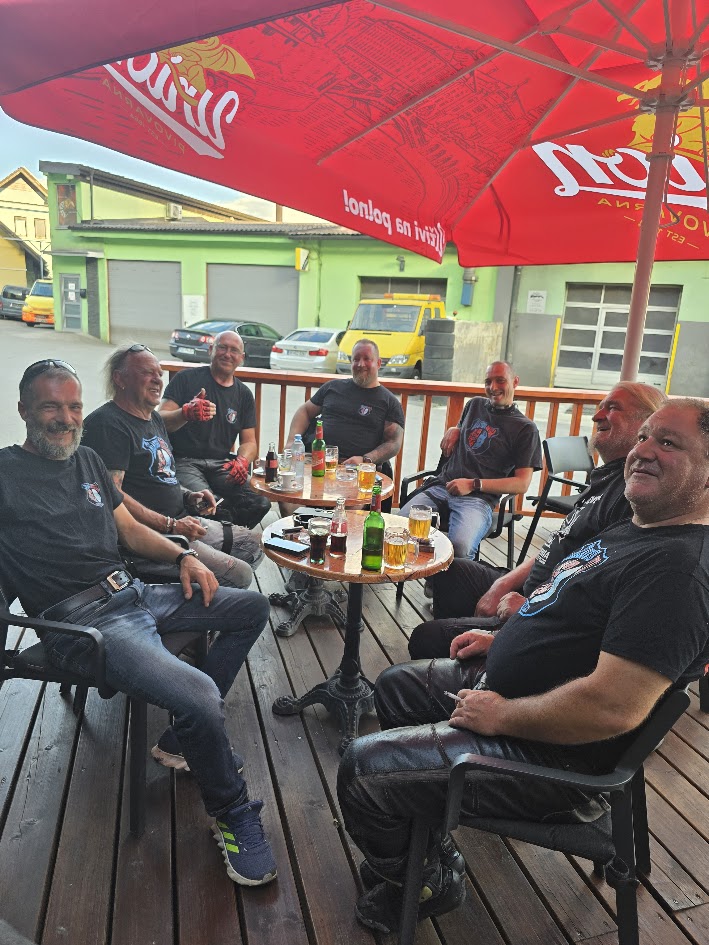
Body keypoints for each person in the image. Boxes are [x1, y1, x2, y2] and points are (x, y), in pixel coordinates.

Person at [337, 398, 709, 934]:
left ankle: (427, 879)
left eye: (668, 443)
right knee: (396, 687)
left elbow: (612, 708)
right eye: (646, 435)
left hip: (553, 759)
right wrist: (503, 639)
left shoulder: (678, 573)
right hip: (516, 696)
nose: (643, 450)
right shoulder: (644, 527)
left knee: (363, 772)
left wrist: (501, 717)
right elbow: (568, 612)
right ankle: (424, 837)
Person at [0, 359, 277, 887]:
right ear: (23, 411)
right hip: (84, 625)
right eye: (51, 407)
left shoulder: (86, 459)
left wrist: (182, 556)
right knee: (199, 694)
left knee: (251, 607)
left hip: (133, 592)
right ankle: (234, 812)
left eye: (74, 406)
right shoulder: (5, 474)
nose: (65, 418)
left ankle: (185, 736)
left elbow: (127, 529)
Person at [411, 383, 668, 658]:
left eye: (613, 408)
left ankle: (477, 663)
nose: (597, 416)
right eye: (600, 407)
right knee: (451, 569)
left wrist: (531, 609)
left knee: (426, 637)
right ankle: (464, 653)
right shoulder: (606, 479)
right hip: (531, 588)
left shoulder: (633, 497)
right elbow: (560, 542)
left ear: (648, 423)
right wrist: (503, 584)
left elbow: (596, 593)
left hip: (546, 613)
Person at [83, 345, 263, 590]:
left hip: (180, 520)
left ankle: (208, 595)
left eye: (159, 373)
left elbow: (160, 477)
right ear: (120, 378)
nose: (157, 380)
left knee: (255, 545)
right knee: (240, 575)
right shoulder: (108, 424)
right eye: (147, 373)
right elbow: (112, 495)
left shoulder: (153, 419)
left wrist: (189, 496)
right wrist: (170, 525)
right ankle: (184, 602)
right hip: (151, 538)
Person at [399, 361, 542, 559]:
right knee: (399, 529)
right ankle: (414, 572)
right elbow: (463, 428)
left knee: (460, 547)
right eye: (488, 382)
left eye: (500, 380)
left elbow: (522, 483)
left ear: (515, 381)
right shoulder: (474, 405)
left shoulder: (525, 429)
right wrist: (455, 429)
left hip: (478, 500)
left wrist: (473, 484)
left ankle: (451, 579)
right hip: (441, 486)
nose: (493, 387)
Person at [158, 331, 271, 528]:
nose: (227, 354)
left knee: (260, 502)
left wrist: (243, 461)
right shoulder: (186, 378)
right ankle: (226, 533)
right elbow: (160, 419)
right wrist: (186, 412)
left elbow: (250, 442)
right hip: (184, 461)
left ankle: (231, 535)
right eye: (222, 347)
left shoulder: (244, 394)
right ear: (211, 350)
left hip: (221, 464)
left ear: (241, 358)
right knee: (207, 503)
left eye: (234, 350)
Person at [284, 338, 405, 470]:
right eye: (356, 359)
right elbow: (305, 411)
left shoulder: (389, 402)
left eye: (367, 359)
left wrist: (365, 459)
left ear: (379, 363)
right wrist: (291, 442)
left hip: (355, 469)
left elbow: (393, 443)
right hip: (316, 460)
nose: (361, 364)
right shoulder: (332, 387)